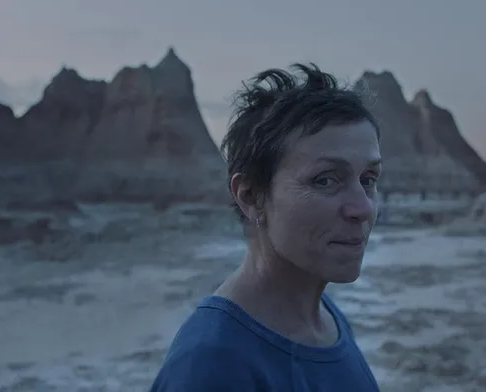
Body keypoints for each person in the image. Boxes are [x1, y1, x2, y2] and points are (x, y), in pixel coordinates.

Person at [150, 63, 382, 391]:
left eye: (368, 179)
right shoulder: (211, 366)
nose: (363, 208)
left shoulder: (326, 318)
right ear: (250, 196)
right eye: (325, 180)